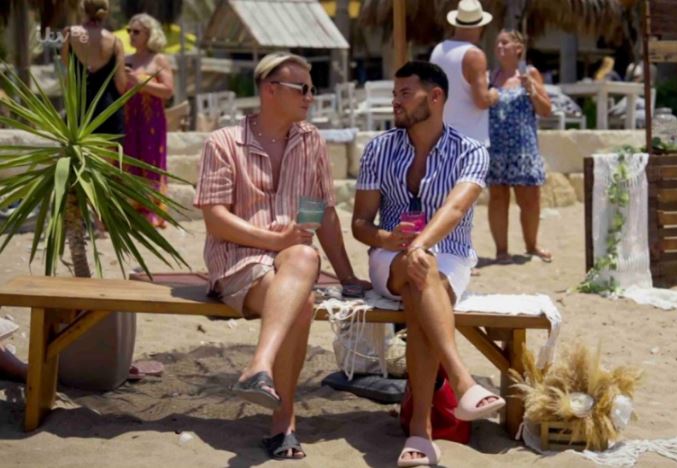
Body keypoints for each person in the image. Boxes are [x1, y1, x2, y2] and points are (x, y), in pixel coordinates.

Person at [194, 53, 369, 460]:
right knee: (302, 301)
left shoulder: (310, 142)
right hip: (237, 261)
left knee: (304, 259)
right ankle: (284, 421)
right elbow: (215, 221)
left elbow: (320, 212)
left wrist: (347, 276)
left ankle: (260, 366)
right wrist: (272, 241)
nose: (311, 96)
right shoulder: (223, 142)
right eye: (302, 88)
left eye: (313, 87)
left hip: (292, 261)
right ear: (270, 90)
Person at [352, 61, 505, 467]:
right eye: (394, 94)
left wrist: (419, 245)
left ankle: (421, 431)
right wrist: (392, 240)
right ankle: (461, 381)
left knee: (424, 284)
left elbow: (455, 209)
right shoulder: (379, 148)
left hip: (449, 256)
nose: (395, 102)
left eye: (405, 93)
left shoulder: (470, 151)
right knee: (421, 273)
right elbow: (361, 225)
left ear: (434, 97)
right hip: (389, 257)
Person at [488, 30, 553, 264]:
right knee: (498, 198)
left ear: (519, 48)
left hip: (524, 147)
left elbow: (546, 110)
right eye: (497, 43)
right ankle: (501, 251)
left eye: (505, 42)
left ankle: (532, 245)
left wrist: (531, 90)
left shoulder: (530, 73)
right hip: (496, 148)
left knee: (530, 199)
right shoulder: (489, 77)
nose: (500, 47)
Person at [124, 13, 174, 228]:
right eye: (129, 31)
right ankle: (131, 208)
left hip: (151, 120)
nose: (131, 35)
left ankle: (153, 210)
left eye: (136, 32)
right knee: (129, 159)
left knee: (151, 161)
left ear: (149, 34)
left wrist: (140, 83)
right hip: (128, 118)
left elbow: (168, 91)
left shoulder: (158, 60)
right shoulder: (125, 60)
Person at [430, 0, 498, 147]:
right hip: (468, 142)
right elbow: (482, 101)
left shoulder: (437, 51)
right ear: (479, 27)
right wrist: (493, 94)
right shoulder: (474, 56)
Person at [60, 0, 128, 138]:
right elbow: (121, 85)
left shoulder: (69, 34)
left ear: (82, 10)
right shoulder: (115, 41)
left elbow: (67, 64)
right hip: (107, 109)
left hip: (78, 109)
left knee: (77, 157)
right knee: (107, 158)